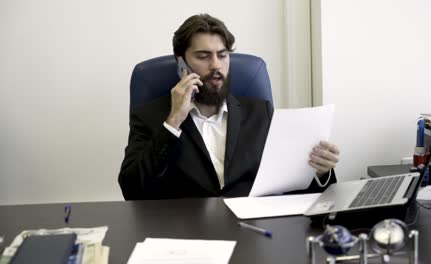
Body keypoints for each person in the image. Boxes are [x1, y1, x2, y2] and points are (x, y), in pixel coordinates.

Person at [118, 14, 340, 200]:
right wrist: (174, 120)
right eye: (203, 56)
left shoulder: (260, 113)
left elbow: (298, 188)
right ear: (181, 63)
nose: (216, 65)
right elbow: (132, 189)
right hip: (184, 232)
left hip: (252, 231)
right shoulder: (150, 116)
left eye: (222, 55)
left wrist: (321, 171)